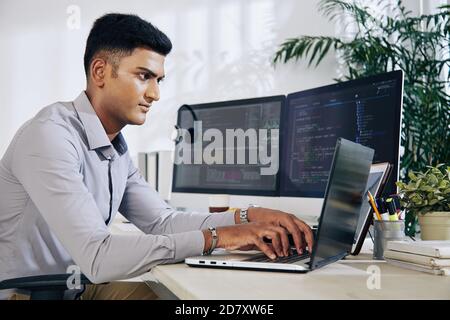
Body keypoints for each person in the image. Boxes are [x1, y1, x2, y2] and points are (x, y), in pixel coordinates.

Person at [0, 13, 313, 300]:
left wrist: (247, 218)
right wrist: (218, 237)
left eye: (158, 80)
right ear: (100, 72)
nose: (155, 94)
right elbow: (98, 257)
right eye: (143, 76)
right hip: (28, 295)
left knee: (183, 299)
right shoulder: (50, 136)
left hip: (72, 287)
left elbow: (164, 222)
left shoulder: (115, 148)